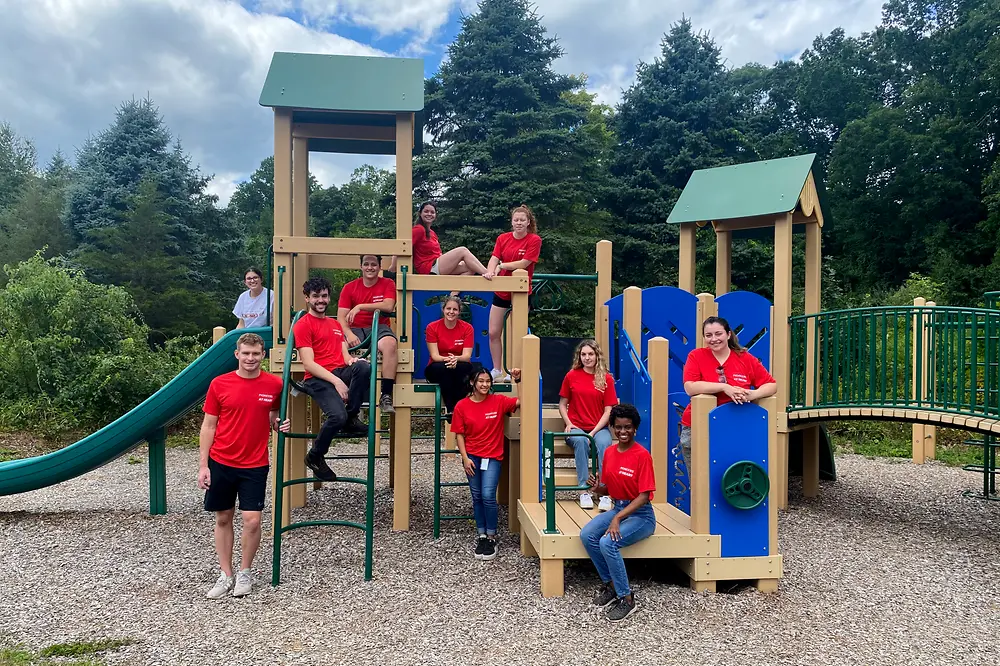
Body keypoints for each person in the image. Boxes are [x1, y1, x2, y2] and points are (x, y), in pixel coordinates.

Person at [198, 332, 289, 599]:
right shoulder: (219, 384)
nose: (251, 358)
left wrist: (279, 425)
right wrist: (203, 465)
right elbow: (208, 425)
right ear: (237, 355)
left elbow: (273, 417)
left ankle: (245, 571)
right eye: (246, 353)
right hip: (221, 461)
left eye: (256, 353)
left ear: (263, 355)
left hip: (255, 463)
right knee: (223, 517)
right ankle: (225, 574)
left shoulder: (274, 384)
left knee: (252, 520)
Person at [581, 403, 656, 622]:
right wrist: (597, 488)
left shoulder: (642, 455)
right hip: (619, 507)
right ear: (612, 428)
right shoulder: (610, 452)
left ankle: (627, 598)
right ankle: (612, 585)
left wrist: (617, 517)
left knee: (608, 543)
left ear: (635, 429)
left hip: (641, 515)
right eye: (618, 427)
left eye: (628, 427)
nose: (623, 432)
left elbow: (644, 496)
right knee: (587, 535)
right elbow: (609, 488)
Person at [294, 277, 372, 482]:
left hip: (338, 370)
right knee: (337, 417)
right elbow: (309, 364)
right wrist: (337, 382)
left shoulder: (335, 324)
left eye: (324, 296)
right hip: (317, 377)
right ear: (307, 299)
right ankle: (315, 456)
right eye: (316, 296)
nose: (321, 300)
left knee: (364, 366)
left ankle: (351, 417)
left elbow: (343, 354)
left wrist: (352, 361)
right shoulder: (303, 325)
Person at [679, 316, 777, 473]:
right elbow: (690, 387)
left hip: (736, 426)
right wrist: (724, 387)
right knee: (701, 477)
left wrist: (753, 394)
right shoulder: (696, 356)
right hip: (699, 425)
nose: (714, 339)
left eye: (718, 334)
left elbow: (771, 385)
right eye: (708, 335)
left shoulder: (745, 358)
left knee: (731, 474)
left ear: (728, 334)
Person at [451, 366, 523, 561]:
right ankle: (481, 534)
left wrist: (518, 381)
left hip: (492, 456)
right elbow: (459, 434)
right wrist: (465, 458)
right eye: (481, 381)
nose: (485, 384)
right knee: (476, 497)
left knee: (488, 495)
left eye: (488, 381)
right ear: (473, 383)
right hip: (472, 457)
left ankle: (491, 536)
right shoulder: (462, 406)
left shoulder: (498, 401)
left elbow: (523, 401)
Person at [559, 340, 618, 511]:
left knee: (604, 444)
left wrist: (592, 432)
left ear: (596, 355)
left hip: (598, 427)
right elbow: (562, 404)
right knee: (581, 441)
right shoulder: (571, 375)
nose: (587, 358)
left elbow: (608, 411)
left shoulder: (606, 378)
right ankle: (584, 490)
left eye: (590, 354)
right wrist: (569, 423)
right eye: (583, 354)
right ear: (579, 356)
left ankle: (606, 492)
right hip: (576, 426)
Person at [486, 205, 542, 381]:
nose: (518, 223)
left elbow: (525, 263)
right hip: (502, 291)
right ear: (511, 222)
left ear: (528, 222)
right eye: (515, 220)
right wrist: (491, 271)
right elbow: (494, 258)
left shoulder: (534, 240)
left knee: (516, 332)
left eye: (522, 220)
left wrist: (502, 266)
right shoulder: (502, 238)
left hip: (521, 292)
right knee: (494, 332)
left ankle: (514, 370)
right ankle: (496, 369)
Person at [337, 255, 397, 413]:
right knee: (338, 343)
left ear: (379, 267)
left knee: (390, 344)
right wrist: (349, 334)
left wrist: (360, 306)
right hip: (355, 329)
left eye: (373, 264)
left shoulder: (387, 283)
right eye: (366, 264)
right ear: (361, 267)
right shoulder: (350, 287)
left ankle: (386, 394)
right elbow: (341, 317)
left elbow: (389, 306)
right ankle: (340, 392)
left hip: (379, 327)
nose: (370, 267)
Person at [424, 295, 475, 417]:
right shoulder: (432, 327)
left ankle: (457, 409)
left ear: (459, 312)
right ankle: (452, 408)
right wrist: (450, 360)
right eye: (448, 309)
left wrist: (455, 360)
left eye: (455, 309)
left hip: (459, 364)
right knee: (444, 370)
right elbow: (435, 356)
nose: (451, 312)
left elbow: (467, 356)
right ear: (443, 310)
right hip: (438, 364)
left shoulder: (467, 328)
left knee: (464, 369)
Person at [410, 201, 493, 277]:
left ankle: (453, 293)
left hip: (436, 265)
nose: (429, 214)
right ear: (420, 213)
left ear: (435, 215)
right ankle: (488, 274)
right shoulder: (418, 229)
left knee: (470, 267)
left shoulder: (432, 233)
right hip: (428, 268)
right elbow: (405, 247)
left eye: (432, 212)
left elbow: (437, 253)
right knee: (462, 250)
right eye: (426, 211)